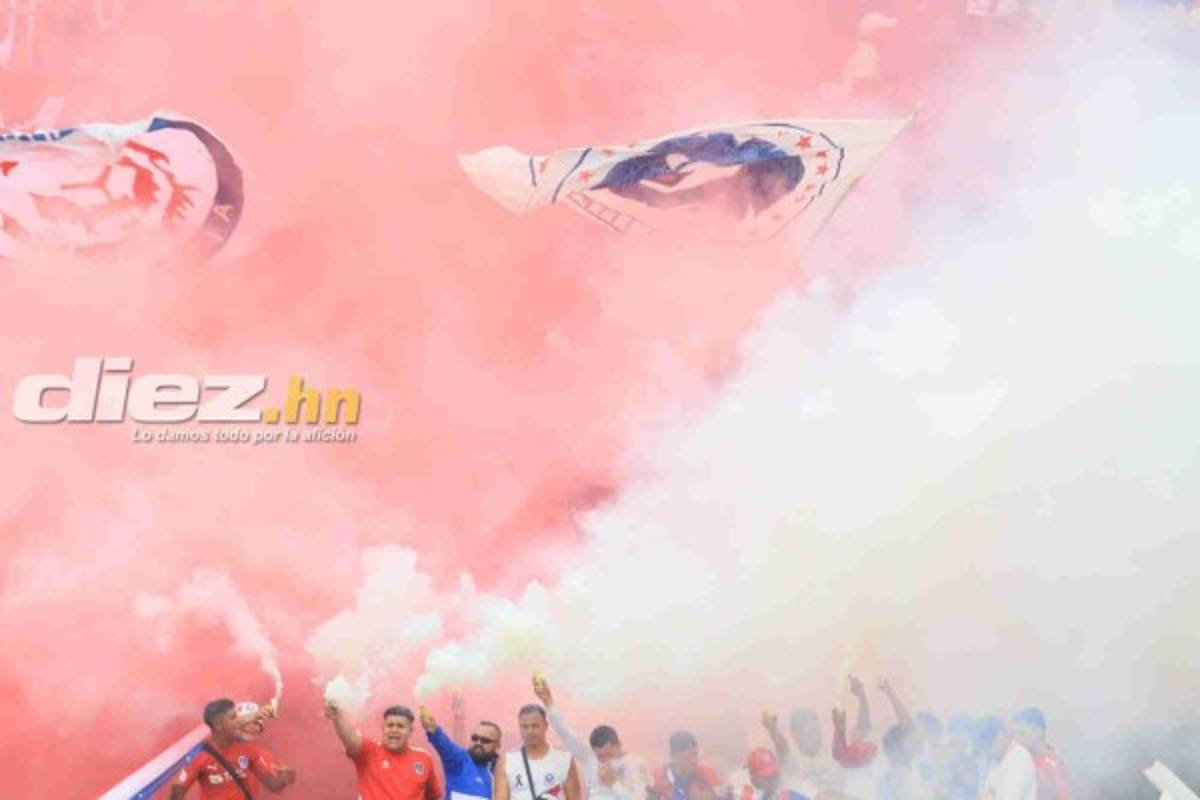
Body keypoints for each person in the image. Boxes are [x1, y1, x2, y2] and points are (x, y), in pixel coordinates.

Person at [533, 675, 649, 800]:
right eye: (600, 755)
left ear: (619, 745)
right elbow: (565, 733)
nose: (604, 760)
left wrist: (614, 783)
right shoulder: (588, 757)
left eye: (608, 754)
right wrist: (549, 703)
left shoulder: (635, 764)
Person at [171, 698, 296, 798]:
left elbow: (273, 785)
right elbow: (177, 791)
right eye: (233, 717)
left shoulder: (249, 751)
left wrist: (285, 778)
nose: (239, 721)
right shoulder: (198, 756)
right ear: (219, 724)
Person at [326, 701, 445, 800]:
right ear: (383, 728)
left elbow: (434, 797)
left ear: (410, 731)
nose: (394, 730)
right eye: (390, 725)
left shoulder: (424, 759)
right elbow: (350, 738)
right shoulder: (369, 751)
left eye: (400, 726)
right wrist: (337, 717)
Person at [494, 703, 582, 800]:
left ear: (545, 726)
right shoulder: (507, 761)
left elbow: (575, 797)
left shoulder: (564, 759)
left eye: (535, 726)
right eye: (524, 727)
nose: (530, 731)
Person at [419, 702, 502, 800]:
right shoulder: (459, 760)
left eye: (485, 740)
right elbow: (445, 745)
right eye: (475, 738)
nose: (478, 743)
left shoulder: (503, 770)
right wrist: (433, 730)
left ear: (498, 745)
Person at [1012, 708, 1070, 800]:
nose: (1017, 739)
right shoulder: (1022, 761)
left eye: (1021, 733)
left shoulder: (1054, 764)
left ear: (1039, 731)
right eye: (1015, 734)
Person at [650, 730, 725, 800]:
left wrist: (710, 797)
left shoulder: (708, 775)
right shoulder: (657, 778)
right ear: (673, 756)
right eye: (687, 757)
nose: (693, 761)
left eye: (695, 755)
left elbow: (726, 796)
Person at [977, 718, 1036, 800]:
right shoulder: (997, 763)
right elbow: (987, 792)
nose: (989, 749)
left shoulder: (1020, 757)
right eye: (985, 745)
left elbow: (1012, 796)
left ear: (1001, 734)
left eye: (990, 742)